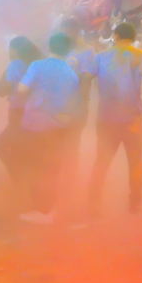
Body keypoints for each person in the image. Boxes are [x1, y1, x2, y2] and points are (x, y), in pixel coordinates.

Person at [83, 22, 142, 215]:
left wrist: (84, 100)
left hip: (107, 117)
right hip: (133, 118)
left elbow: (86, 78)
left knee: (102, 159)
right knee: (136, 160)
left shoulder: (101, 56)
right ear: (133, 38)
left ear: (116, 37)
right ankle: (135, 203)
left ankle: (93, 201)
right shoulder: (140, 55)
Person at [15, 33, 79, 225]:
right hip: (59, 126)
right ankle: (49, 210)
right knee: (52, 168)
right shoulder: (72, 74)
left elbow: (22, 89)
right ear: (68, 50)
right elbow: (72, 103)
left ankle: (40, 210)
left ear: (49, 46)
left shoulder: (37, 66)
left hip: (35, 125)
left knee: (34, 167)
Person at [0, 36, 44, 186]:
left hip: (19, 114)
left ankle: (18, 181)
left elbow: (3, 90)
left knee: (1, 146)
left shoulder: (16, 65)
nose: (8, 52)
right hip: (36, 114)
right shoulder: (36, 64)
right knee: (22, 152)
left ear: (15, 50)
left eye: (9, 48)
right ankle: (25, 185)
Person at [59, 18, 95, 178]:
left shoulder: (86, 51)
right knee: (56, 143)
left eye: (66, 32)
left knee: (72, 144)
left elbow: (86, 79)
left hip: (75, 106)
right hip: (57, 105)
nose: (63, 35)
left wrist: (82, 105)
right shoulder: (61, 49)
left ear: (76, 32)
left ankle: (70, 180)